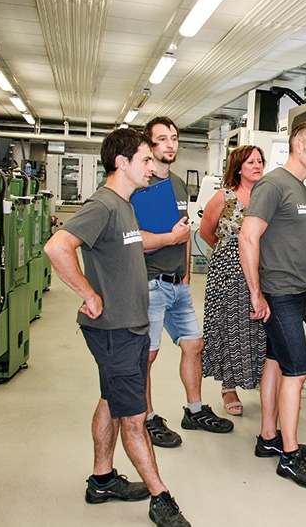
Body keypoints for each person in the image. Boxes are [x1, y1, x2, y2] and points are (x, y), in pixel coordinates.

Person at [43, 128, 190, 526]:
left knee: (112, 400)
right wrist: (89, 295)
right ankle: (161, 498)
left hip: (130, 325)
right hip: (115, 329)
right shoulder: (104, 204)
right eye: (144, 159)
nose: (151, 165)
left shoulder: (126, 204)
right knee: (134, 416)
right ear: (121, 163)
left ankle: (103, 479)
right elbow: (57, 247)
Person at [239, 121, 306, 488]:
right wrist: (256, 293)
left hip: (295, 291)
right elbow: (248, 237)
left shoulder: (301, 190)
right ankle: (290, 457)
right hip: (277, 294)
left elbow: (290, 234)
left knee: (276, 363)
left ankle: (269, 438)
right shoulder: (273, 183)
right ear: (298, 144)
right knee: (298, 371)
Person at [138, 117, 233, 449]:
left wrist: (187, 269)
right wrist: (168, 240)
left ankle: (194, 411)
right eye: (162, 139)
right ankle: (147, 418)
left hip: (177, 283)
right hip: (149, 283)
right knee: (147, 356)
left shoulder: (179, 184)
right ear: (149, 145)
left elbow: (186, 228)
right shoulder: (139, 184)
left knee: (194, 345)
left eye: (174, 138)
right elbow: (134, 240)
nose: (170, 144)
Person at [199, 145, 268, 416]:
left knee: (257, 328)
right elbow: (206, 232)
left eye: (260, 161)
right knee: (228, 327)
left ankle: (259, 378)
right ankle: (229, 387)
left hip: (261, 270)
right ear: (238, 167)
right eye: (251, 162)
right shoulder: (223, 197)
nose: (257, 166)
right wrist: (231, 253)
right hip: (227, 273)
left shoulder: (267, 196)